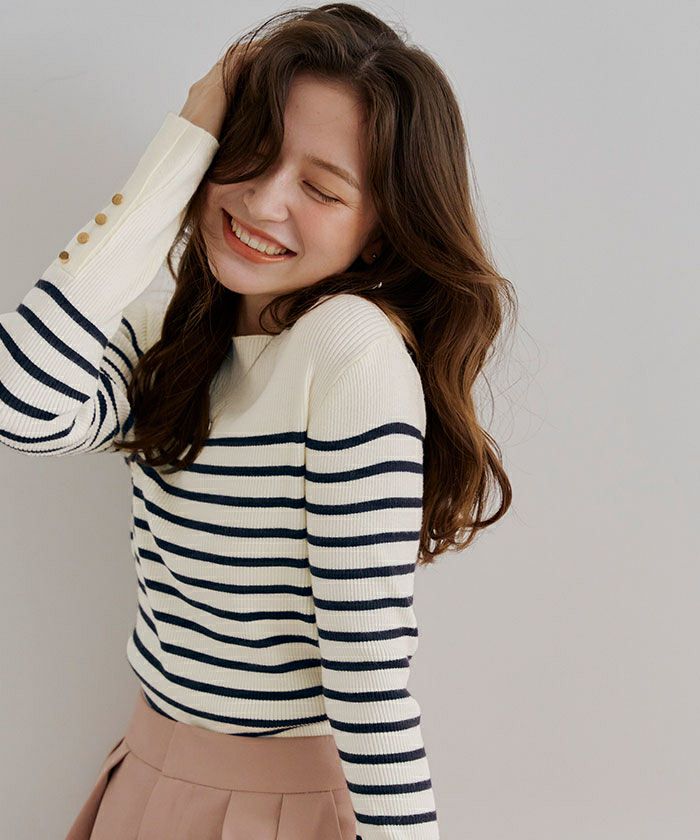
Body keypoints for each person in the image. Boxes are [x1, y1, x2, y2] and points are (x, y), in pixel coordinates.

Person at [0, 4, 515, 839]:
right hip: (142, 773)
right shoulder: (168, 336)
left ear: (380, 232)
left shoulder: (348, 351)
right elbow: (21, 407)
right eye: (251, 152)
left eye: (321, 188)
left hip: (275, 811)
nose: (265, 200)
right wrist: (177, 155)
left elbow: (369, 677)